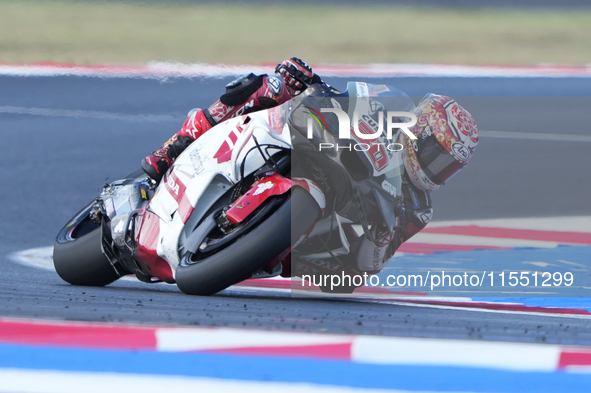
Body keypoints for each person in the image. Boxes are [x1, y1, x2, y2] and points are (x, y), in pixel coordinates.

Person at [141, 57, 479, 283]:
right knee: (272, 86)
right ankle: (169, 151)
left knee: (343, 280)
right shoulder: (386, 110)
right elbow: (343, 97)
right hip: (320, 150)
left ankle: (251, 247)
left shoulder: (417, 209)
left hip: (320, 244)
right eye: (438, 156)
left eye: (449, 167)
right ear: (418, 131)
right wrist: (308, 80)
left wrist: (381, 238)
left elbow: (367, 269)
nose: (438, 170)